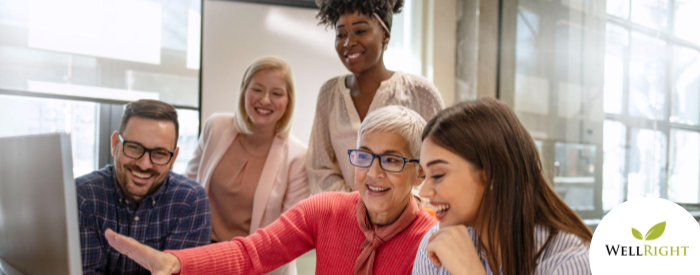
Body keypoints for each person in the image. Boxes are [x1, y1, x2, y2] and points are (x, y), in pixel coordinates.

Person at [104, 106, 436, 275]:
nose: (373, 173)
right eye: (364, 156)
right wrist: (175, 263)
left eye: (391, 160)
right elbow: (252, 253)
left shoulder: (432, 241)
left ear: (419, 171)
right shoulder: (325, 210)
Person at [412, 98, 592, 275]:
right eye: (425, 175)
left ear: (491, 175)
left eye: (438, 175)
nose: (424, 192)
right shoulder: (435, 245)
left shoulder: (570, 261)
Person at [185, 56, 308, 275]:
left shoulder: (298, 156)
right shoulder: (216, 126)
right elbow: (188, 189)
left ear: (288, 101)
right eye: (257, 89)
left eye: (277, 93)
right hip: (203, 257)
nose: (265, 100)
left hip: (257, 265)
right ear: (244, 91)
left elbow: (288, 234)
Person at [307, 0, 445, 194]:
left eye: (361, 31)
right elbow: (319, 168)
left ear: (385, 36)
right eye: (341, 34)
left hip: (410, 218)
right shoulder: (329, 94)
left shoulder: (420, 93)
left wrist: (394, 207)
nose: (349, 43)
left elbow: (439, 163)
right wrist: (356, 207)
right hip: (345, 217)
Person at [76, 99, 211, 275]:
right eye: (134, 147)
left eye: (160, 153)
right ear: (115, 143)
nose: (145, 164)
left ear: (173, 158)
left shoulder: (190, 201)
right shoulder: (83, 197)